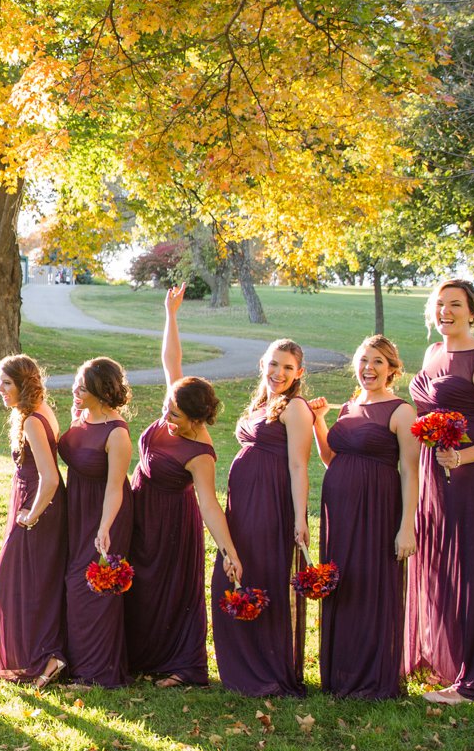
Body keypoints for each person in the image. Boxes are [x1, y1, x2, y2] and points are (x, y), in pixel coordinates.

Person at [405, 278, 474, 703]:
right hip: (433, 474)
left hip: (472, 476)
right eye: (439, 305)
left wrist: (461, 458)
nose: (445, 312)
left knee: (472, 572)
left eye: (455, 305)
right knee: (437, 565)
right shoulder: (432, 353)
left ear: (473, 312)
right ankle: (446, 660)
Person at [124, 288, 244, 688]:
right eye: (167, 408)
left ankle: (181, 665)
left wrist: (228, 551)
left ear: (195, 419)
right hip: (140, 509)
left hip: (172, 525)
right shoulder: (175, 399)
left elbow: (210, 505)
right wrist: (171, 315)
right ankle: (139, 656)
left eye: (174, 414)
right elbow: (170, 360)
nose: (166, 415)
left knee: (169, 592)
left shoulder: (200, 451)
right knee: (138, 588)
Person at [310, 335, 419, 699]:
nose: (368, 368)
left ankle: (372, 677)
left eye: (377, 362)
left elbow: (410, 470)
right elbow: (330, 458)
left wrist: (407, 527)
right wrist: (318, 422)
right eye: (362, 361)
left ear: (392, 370)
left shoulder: (401, 411)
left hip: (378, 512)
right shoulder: (349, 407)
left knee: (372, 585)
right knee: (345, 584)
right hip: (339, 513)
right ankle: (341, 671)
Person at [216, 335, 312, 698]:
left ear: (299, 372)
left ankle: (267, 670)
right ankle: (240, 666)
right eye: (274, 364)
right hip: (241, 504)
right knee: (232, 574)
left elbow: (299, 465)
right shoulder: (261, 403)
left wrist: (300, 518)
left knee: (262, 576)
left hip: (269, 504)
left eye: (288, 367)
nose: (279, 372)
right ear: (262, 364)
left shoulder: (294, 407)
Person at [0, 353, 67, 684]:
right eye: (0, 382)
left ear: (24, 385)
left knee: (8, 582)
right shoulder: (35, 411)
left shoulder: (34, 420)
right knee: (34, 582)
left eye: (6, 383)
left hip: (38, 507)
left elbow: (49, 476)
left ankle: (40, 659)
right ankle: (41, 656)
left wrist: (32, 516)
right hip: (31, 502)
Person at [56, 358, 134, 688]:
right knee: (74, 584)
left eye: (82, 387)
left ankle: (98, 674)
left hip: (105, 511)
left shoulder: (116, 433)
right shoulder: (82, 416)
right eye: (76, 382)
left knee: (88, 587)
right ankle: (79, 664)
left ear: (101, 393)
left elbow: (115, 487)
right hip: (77, 506)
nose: (75, 390)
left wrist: (104, 528)